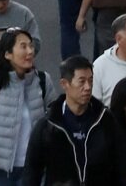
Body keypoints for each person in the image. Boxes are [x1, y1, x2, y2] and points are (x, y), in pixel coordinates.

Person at [0, 27, 51, 186]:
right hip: (0, 173)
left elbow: (54, 122)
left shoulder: (42, 80)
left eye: (31, 46)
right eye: (23, 46)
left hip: (35, 169)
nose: (29, 51)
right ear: (7, 54)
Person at [23, 55, 116, 186]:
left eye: (91, 80)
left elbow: (120, 165)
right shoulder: (48, 125)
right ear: (64, 84)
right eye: (82, 81)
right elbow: (32, 172)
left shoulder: (105, 120)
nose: (88, 87)